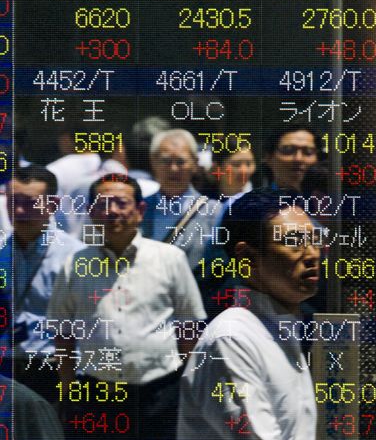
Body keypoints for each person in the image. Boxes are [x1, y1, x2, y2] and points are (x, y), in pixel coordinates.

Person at [48, 174, 207, 439]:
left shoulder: (169, 259)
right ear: (90, 212)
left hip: (161, 390)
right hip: (96, 393)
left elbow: (189, 327)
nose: (111, 212)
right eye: (102, 204)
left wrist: (189, 387)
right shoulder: (76, 263)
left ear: (140, 210)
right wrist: (68, 390)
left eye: (120, 203)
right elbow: (63, 333)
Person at [177, 188, 319, 439]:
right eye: (295, 241)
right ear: (247, 257)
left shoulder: (279, 328)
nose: (312, 254)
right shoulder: (232, 340)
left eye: (314, 239)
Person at [0, 166, 84, 402]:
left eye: (29, 203)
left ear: (53, 205)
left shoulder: (76, 257)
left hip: (53, 370)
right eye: (12, 201)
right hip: (6, 368)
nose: (18, 211)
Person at [141, 129, 221, 269]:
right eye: (165, 161)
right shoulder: (139, 209)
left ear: (195, 164)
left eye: (180, 161)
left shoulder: (215, 212)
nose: (173, 168)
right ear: (153, 162)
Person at [263, 125, 322, 191]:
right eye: (288, 150)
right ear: (269, 158)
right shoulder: (253, 200)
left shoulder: (330, 199)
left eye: (308, 151)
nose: (298, 159)